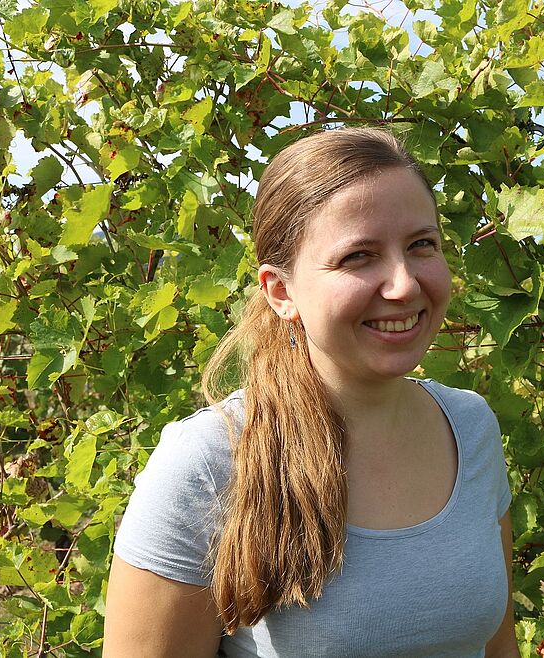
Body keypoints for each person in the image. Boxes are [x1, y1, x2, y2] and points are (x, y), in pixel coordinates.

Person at [102, 128, 518, 657]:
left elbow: (497, 646)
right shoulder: (211, 463)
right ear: (281, 291)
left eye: (421, 245)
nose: (404, 285)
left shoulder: (471, 428)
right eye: (358, 257)